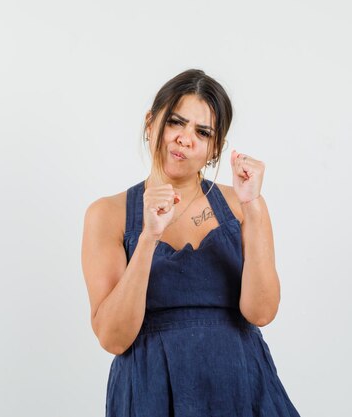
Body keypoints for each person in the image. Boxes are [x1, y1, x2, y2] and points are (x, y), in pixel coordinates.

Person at [81, 68, 301, 416]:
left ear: (215, 149)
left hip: (241, 388)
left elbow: (261, 313)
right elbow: (113, 337)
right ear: (151, 124)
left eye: (202, 132)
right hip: (151, 392)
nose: (186, 139)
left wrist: (253, 206)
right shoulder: (108, 214)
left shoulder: (242, 205)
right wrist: (148, 237)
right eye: (175, 123)